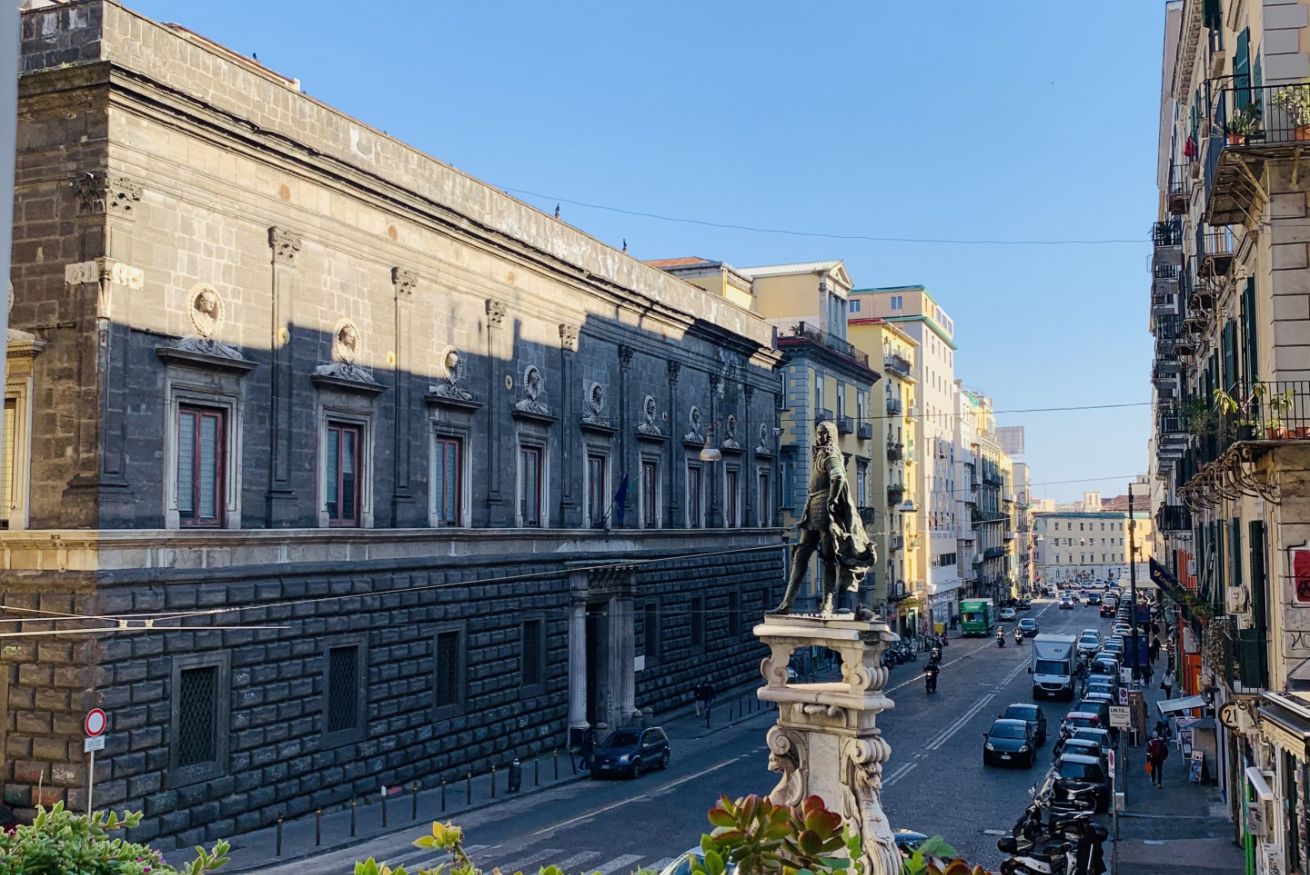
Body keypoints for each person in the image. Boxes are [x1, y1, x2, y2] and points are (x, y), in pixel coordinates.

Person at [767, 422, 874, 616]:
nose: (821, 437)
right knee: (802, 555)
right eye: (818, 433)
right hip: (812, 509)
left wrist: (832, 500)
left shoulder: (830, 455)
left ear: (831, 435)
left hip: (824, 511)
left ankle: (825, 605)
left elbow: (838, 477)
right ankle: (787, 604)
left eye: (825, 433)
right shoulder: (820, 454)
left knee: (827, 559)